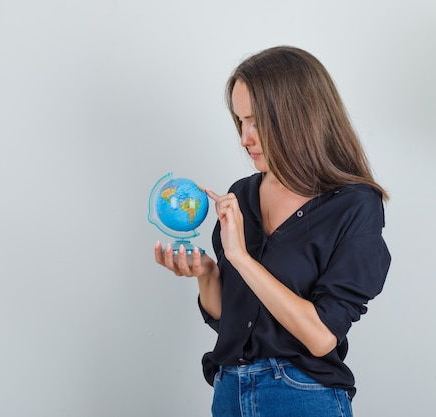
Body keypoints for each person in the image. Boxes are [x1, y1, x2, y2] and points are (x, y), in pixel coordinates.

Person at [154, 45, 391, 417]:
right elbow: (231, 317)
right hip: (230, 390)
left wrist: (240, 258)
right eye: (240, 121)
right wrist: (207, 274)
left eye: (256, 121)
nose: (244, 138)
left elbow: (320, 336)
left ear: (299, 116)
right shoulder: (242, 195)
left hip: (302, 395)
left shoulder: (354, 205)